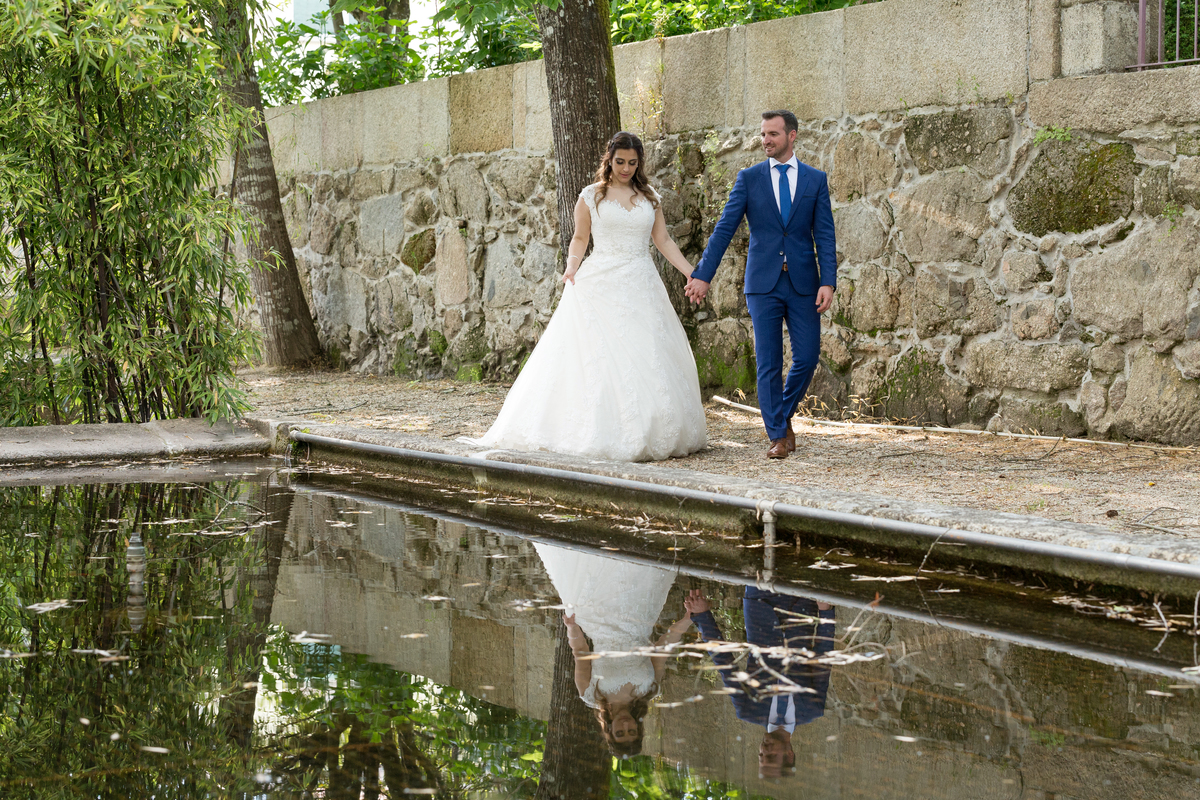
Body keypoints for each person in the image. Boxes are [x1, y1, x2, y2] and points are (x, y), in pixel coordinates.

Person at [462, 131, 706, 462]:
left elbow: (663, 240)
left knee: (647, 349)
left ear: (639, 163)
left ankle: (654, 426)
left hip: (641, 283)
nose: (626, 168)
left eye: (632, 163)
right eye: (620, 161)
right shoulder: (591, 196)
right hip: (600, 282)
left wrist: (692, 273)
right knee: (601, 355)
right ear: (609, 159)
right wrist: (572, 266)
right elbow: (579, 237)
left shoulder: (650, 197)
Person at [685, 110, 837, 460]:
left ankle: (781, 414)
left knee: (807, 357)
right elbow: (725, 228)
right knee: (769, 361)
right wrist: (703, 274)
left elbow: (825, 236)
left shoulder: (815, 180)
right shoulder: (749, 178)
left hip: (803, 283)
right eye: (764, 134)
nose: (766, 140)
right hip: (762, 284)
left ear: (792, 135)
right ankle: (778, 436)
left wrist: (828, 281)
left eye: (773, 134)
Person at [535, 542, 694, 756]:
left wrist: (572, 628)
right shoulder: (649, 691)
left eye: (621, 732)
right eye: (632, 731)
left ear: (609, 731)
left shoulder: (590, 694)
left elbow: (580, 653)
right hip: (639, 616)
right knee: (645, 560)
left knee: (602, 562)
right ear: (639, 729)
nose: (626, 725)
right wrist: (688, 619)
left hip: (600, 618)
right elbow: (663, 649)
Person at [684, 587, 836, 779]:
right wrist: (825, 611)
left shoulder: (748, 710)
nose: (764, 750)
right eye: (771, 756)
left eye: (761, 756)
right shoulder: (813, 710)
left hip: (760, 604)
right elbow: (823, 658)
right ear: (789, 754)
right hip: (801, 605)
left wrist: (703, 615)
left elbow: (725, 664)